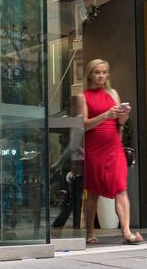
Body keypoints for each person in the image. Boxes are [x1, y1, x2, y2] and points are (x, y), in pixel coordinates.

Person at [82, 59, 141, 245]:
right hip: (94, 148)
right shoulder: (83, 96)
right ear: (90, 74)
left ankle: (127, 233)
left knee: (121, 188)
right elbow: (83, 124)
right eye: (97, 72)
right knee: (93, 192)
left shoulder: (113, 93)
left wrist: (123, 116)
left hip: (114, 146)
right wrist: (105, 115)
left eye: (105, 72)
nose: (102, 76)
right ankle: (90, 231)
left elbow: (119, 124)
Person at [51, 97, 85, 230]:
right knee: (74, 196)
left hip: (80, 163)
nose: (68, 110)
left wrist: (57, 163)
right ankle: (65, 223)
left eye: (70, 106)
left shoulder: (78, 121)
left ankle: (71, 224)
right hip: (78, 163)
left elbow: (72, 147)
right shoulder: (79, 120)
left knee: (74, 196)